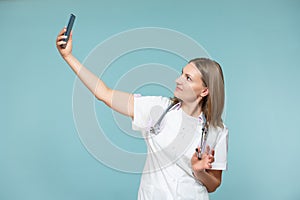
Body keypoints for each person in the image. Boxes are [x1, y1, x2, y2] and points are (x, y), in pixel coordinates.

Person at [56, 27, 228, 200]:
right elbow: (105, 94)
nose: (178, 80)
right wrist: (69, 57)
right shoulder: (157, 108)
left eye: (188, 78)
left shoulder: (217, 131)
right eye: (181, 74)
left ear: (205, 91)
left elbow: (213, 184)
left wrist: (199, 171)